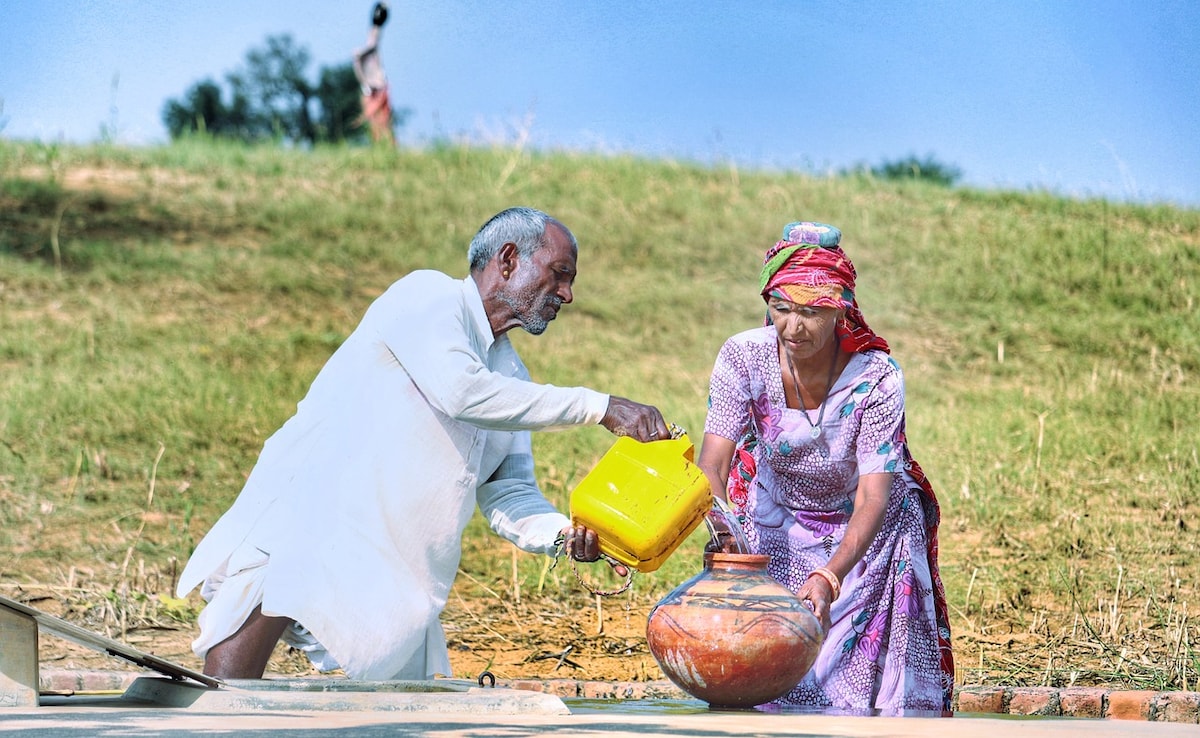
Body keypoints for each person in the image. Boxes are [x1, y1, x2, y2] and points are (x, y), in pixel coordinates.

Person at [176, 207, 670, 681]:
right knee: (235, 676)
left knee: (408, 706)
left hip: (396, 569)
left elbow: (508, 492)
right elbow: (461, 391)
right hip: (313, 518)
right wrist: (600, 406)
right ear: (508, 259)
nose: (567, 294)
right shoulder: (427, 297)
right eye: (560, 274)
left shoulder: (511, 376)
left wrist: (566, 535)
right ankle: (209, 720)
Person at [697, 221, 954, 713]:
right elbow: (712, 466)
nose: (793, 328)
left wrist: (829, 577)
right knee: (766, 676)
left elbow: (873, 495)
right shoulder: (742, 357)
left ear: (841, 309)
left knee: (858, 696)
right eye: (781, 308)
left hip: (870, 536)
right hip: (774, 518)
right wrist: (725, 536)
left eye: (811, 312)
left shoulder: (877, 377)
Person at [353, 2, 395, 144]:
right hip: (372, 85)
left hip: (377, 85)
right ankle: (381, 145)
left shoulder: (375, 32)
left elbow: (372, 46)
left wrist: (359, 53)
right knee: (376, 121)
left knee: (381, 120)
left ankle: (386, 145)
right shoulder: (373, 31)